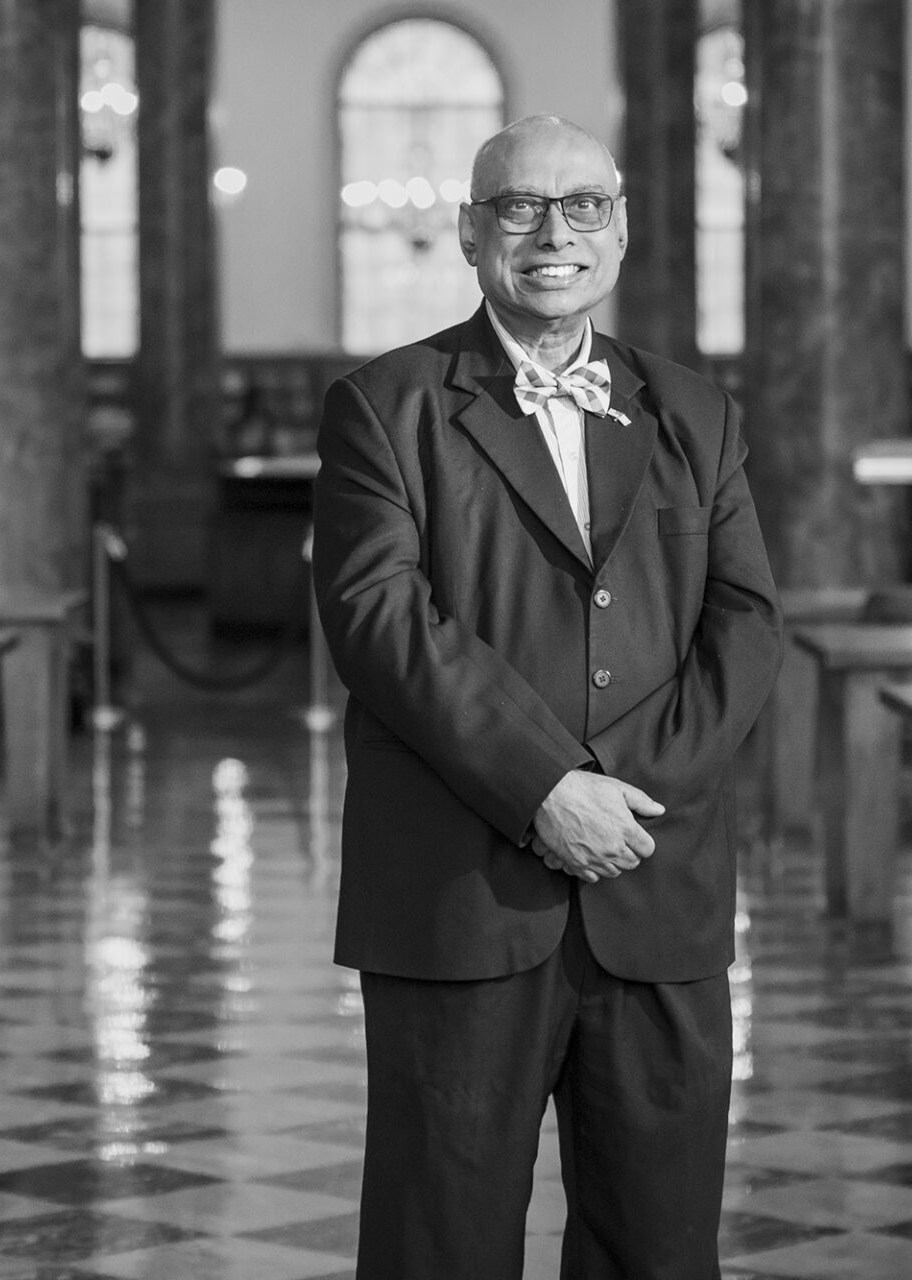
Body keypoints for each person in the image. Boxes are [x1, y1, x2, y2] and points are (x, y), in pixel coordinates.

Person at [311, 115, 783, 1278]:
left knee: (659, 1248)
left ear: (619, 230)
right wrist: (547, 790)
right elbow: (381, 622)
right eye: (519, 207)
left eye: (582, 206)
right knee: (442, 1244)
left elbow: (748, 623)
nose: (552, 232)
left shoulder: (697, 413)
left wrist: (626, 801)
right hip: (460, 895)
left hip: (654, 881)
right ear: (473, 234)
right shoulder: (386, 406)